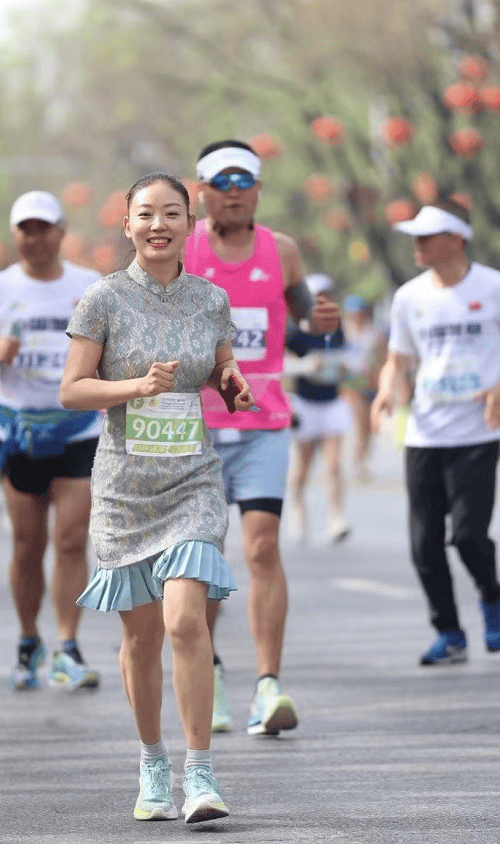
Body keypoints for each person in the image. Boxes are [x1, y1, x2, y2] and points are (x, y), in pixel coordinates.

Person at [61, 171, 254, 824]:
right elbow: (73, 389)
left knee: (183, 619)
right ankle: (152, 765)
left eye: (171, 212)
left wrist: (232, 382)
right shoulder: (102, 300)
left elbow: (221, 370)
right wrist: (136, 387)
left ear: (188, 222)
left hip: (192, 480)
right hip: (124, 488)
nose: (158, 224)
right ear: (127, 224)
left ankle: (199, 773)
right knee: (141, 637)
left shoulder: (209, 300)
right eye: (146, 213)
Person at [183, 140, 339, 734]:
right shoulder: (184, 250)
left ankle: (268, 686)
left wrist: (318, 324)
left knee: (261, 548)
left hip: (263, 421)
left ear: (257, 190)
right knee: (204, 556)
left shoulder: (283, 251)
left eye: (243, 181)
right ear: (201, 191)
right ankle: (211, 672)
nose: (232, 190)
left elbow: (303, 319)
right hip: (194, 424)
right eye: (220, 181)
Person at [370, 199, 500, 666]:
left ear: (457, 239)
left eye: (427, 237)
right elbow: (399, 359)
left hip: (477, 431)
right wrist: (387, 391)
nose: (417, 246)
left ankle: (491, 592)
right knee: (423, 544)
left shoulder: (496, 287)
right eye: (415, 238)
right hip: (426, 433)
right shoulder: (409, 297)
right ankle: (450, 633)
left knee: (467, 536)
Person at [0, 191, 102, 691]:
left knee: (70, 538)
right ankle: (28, 639)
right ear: (14, 234)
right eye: (25, 228)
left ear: (62, 233)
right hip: (19, 429)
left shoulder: (89, 285)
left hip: (78, 428)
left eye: (44, 227)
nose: (34, 237)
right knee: (28, 545)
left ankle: (67, 644)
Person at [284, 274, 353, 544]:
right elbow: (279, 362)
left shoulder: (336, 328)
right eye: (317, 295)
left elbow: (344, 356)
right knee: (303, 465)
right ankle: (298, 508)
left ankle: (336, 517)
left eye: (327, 293)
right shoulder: (297, 330)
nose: (323, 299)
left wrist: (344, 367)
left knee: (334, 464)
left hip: (332, 401)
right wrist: (304, 366)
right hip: (305, 403)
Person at [342, 293, 387, 482]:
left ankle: (363, 458)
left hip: (371, 384)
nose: (357, 315)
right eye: (353, 312)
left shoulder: (374, 333)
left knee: (369, 426)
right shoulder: (343, 332)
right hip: (351, 384)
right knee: (360, 422)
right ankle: (358, 462)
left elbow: (383, 358)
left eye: (359, 312)